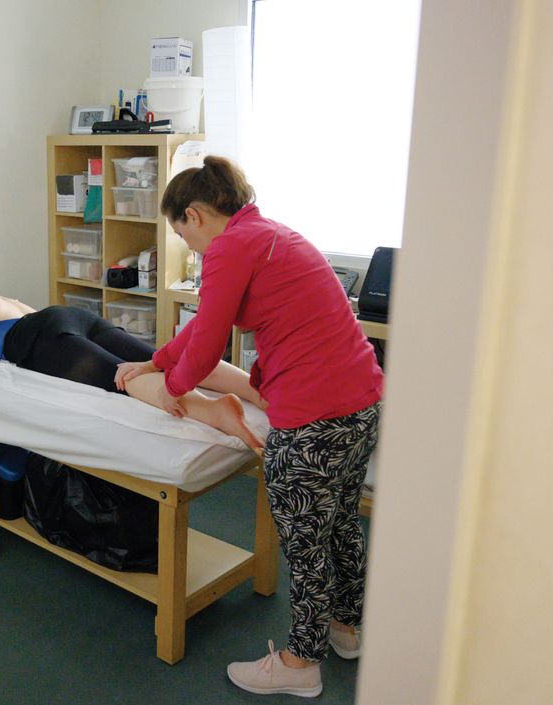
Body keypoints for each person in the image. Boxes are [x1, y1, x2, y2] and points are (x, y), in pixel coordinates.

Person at [114, 156, 383, 698]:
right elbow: (202, 328)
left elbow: (208, 340)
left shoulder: (231, 247)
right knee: (340, 526)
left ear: (193, 215)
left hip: (314, 417)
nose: (190, 249)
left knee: (306, 543)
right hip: (361, 402)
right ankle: (346, 629)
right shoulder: (267, 234)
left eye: (183, 235)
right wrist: (156, 360)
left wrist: (172, 390)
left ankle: (299, 663)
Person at [0, 278, 265, 450]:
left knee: (120, 378)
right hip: (68, 317)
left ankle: (214, 413)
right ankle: (257, 389)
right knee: (155, 360)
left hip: (38, 339)